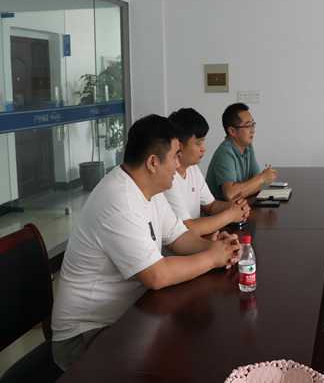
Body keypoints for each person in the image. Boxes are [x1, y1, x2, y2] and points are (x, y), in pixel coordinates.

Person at [51, 114, 241, 371]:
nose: (178, 164)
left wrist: (219, 248)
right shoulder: (119, 199)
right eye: (175, 156)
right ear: (153, 162)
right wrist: (212, 258)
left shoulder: (148, 189)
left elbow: (178, 237)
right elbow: (156, 275)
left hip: (129, 314)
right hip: (85, 334)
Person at [165, 108, 250, 237]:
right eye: (198, 143)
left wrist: (236, 207)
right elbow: (187, 227)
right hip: (184, 244)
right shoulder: (167, 178)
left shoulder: (192, 168)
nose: (203, 149)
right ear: (179, 145)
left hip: (199, 240)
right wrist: (230, 215)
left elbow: (210, 206)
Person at [206, 102, 278, 200]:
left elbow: (258, 184)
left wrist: (259, 180)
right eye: (248, 126)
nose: (253, 130)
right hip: (221, 208)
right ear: (232, 131)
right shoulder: (225, 153)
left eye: (253, 124)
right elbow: (230, 194)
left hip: (240, 205)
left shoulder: (248, 147)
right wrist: (262, 178)